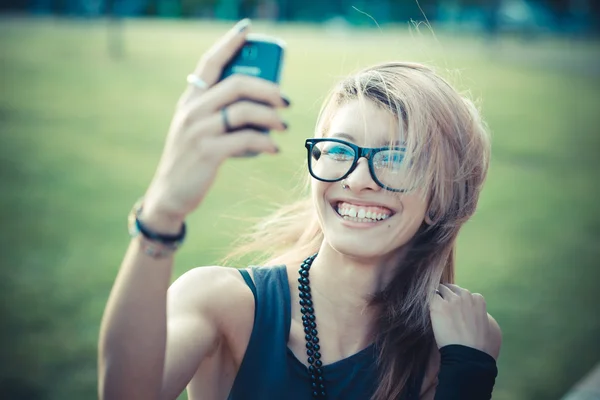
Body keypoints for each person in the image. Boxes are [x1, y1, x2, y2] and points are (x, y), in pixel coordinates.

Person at [98, 18, 502, 400]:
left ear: (443, 198)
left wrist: (467, 372)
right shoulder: (224, 303)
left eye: (397, 157)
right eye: (340, 149)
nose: (358, 178)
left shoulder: (452, 345)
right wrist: (163, 212)